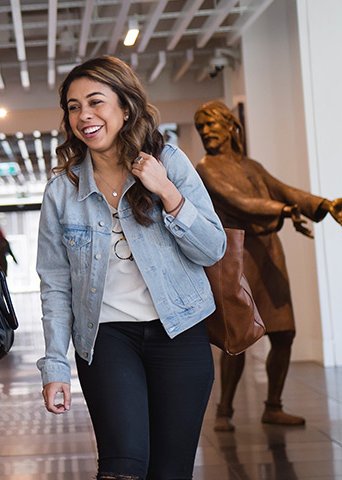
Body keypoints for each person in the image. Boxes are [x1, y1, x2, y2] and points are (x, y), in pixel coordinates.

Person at [36, 56, 227, 479]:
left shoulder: (169, 162)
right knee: (122, 465)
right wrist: (55, 366)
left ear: (125, 107)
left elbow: (213, 249)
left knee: (170, 470)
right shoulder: (61, 191)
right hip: (106, 337)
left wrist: (166, 190)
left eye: (96, 102)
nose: (84, 115)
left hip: (179, 331)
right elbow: (54, 283)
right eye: (73, 106)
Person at [192, 101, 342, 431]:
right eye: (202, 128)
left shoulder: (250, 165)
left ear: (231, 126)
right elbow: (241, 202)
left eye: (212, 124)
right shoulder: (207, 168)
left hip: (268, 252)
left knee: (284, 332)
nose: (207, 132)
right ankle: (224, 411)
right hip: (236, 255)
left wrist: (323, 205)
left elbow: (282, 189)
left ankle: (273, 406)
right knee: (237, 337)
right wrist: (284, 210)